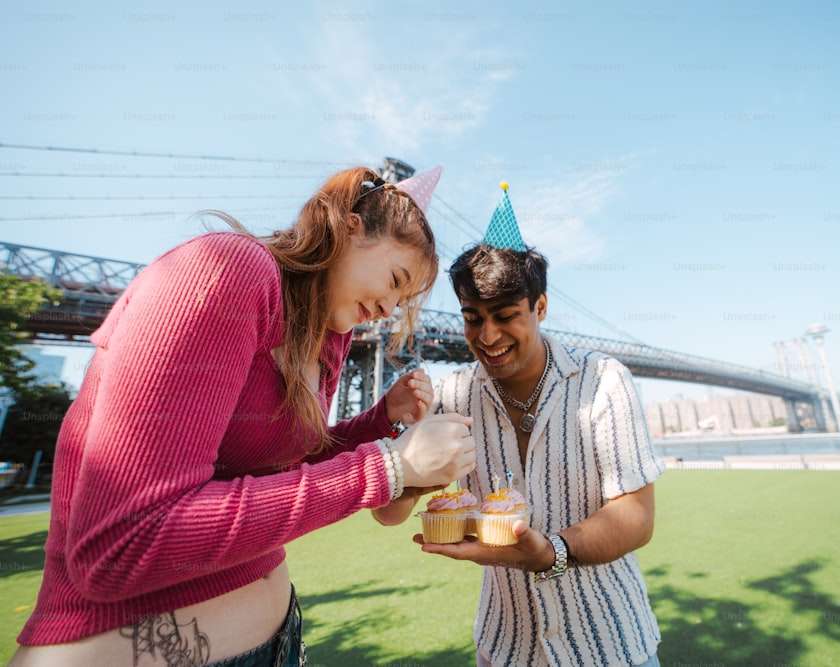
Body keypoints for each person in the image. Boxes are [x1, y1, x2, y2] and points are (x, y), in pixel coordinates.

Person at [11, 166, 476, 666]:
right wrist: (388, 467)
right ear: (348, 226)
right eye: (395, 281)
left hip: (278, 642)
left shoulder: (325, 337)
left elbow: (279, 469)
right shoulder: (226, 269)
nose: (388, 308)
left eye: (402, 301)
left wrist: (379, 422)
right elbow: (124, 542)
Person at [413, 183, 664, 666]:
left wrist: (550, 552)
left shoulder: (604, 380)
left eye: (505, 316)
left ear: (541, 308)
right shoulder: (451, 395)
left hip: (611, 645)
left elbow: (636, 516)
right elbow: (391, 512)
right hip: (505, 648)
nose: (486, 337)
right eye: (472, 318)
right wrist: (395, 433)